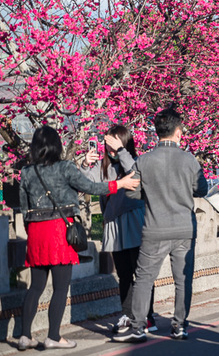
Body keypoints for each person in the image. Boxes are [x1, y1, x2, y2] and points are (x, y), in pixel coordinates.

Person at [18, 126, 139, 350]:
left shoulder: (26, 172)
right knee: (60, 286)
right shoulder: (65, 168)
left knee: (35, 287)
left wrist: (31, 230)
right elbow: (91, 187)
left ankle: (25, 336)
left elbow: (25, 209)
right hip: (60, 231)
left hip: (35, 232)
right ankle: (53, 336)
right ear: (57, 145)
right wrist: (119, 184)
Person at [114, 108, 209, 343]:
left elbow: (132, 194)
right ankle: (179, 326)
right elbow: (203, 189)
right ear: (178, 132)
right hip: (184, 228)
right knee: (182, 279)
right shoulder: (188, 159)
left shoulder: (144, 160)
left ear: (157, 133)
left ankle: (137, 327)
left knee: (144, 278)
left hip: (154, 228)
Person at [82, 125, 156, 334]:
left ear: (125, 142)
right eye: (109, 146)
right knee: (123, 273)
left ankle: (147, 316)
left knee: (141, 272)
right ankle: (127, 314)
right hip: (113, 223)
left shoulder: (135, 161)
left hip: (135, 220)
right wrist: (86, 165)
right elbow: (88, 184)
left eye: (115, 144)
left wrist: (122, 151)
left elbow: (136, 174)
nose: (111, 150)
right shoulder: (104, 166)